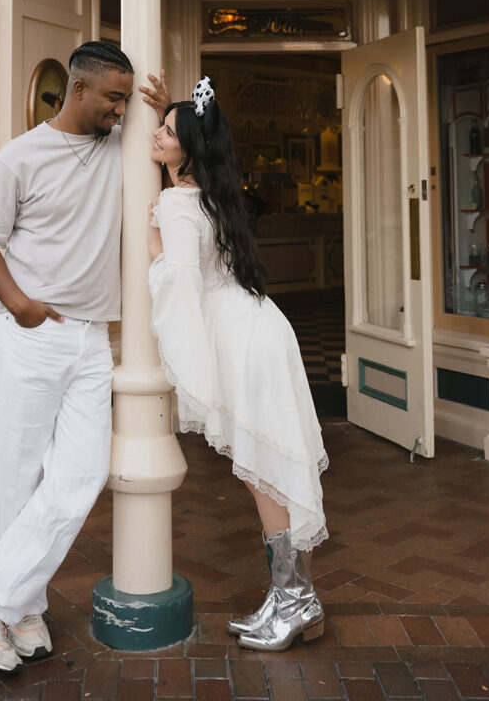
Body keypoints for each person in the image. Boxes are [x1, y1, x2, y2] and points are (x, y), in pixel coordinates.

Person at [0, 41, 169, 671]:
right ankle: (22, 607)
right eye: (113, 98)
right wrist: (21, 306)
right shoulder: (18, 158)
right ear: (78, 90)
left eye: (127, 100)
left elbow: (167, 143)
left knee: (81, 473)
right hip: (32, 332)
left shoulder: (119, 143)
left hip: (92, 336)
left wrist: (162, 107)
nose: (121, 111)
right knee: (19, 477)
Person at [147, 77, 328, 653]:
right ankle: (292, 598)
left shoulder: (178, 203)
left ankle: (295, 600)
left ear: (187, 150)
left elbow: (178, 279)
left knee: (262, 470)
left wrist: (150, 251)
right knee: (268, 464)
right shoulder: (213, 193)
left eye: (167, 133)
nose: (155, 135)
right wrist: (174, 115)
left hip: (240, 340)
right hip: (263, 328)